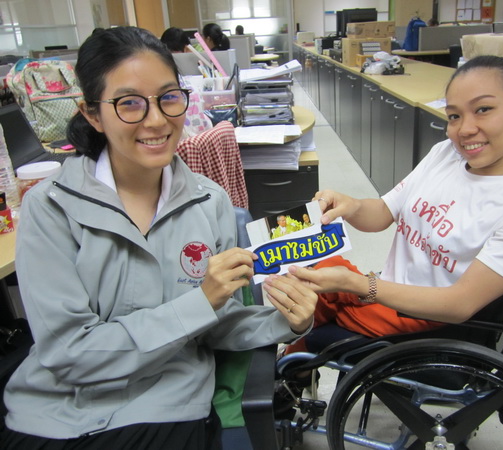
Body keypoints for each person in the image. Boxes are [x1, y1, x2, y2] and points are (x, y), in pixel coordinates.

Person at [0, 26, 316, 449]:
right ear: (92, 114)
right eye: (129, 103)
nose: (156, 120)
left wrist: (288, 320)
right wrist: (200, 302)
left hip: (166, 407)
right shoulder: (50, 208)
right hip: (55, 414)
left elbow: (218, 325)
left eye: (168, 97)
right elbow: (69, 352)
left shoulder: (210, 202)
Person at [285, 55, 503, 355]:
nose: (465, 129)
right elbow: (383, 214)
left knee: (312, 300)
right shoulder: (445, 155)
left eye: (483, 110)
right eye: (454, 116)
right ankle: (295, 351)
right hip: (387, 292)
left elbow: (459, 304)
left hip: (424, 320)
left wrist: (358, 285)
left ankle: (296, 358)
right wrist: (352, 205)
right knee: (310, 272)